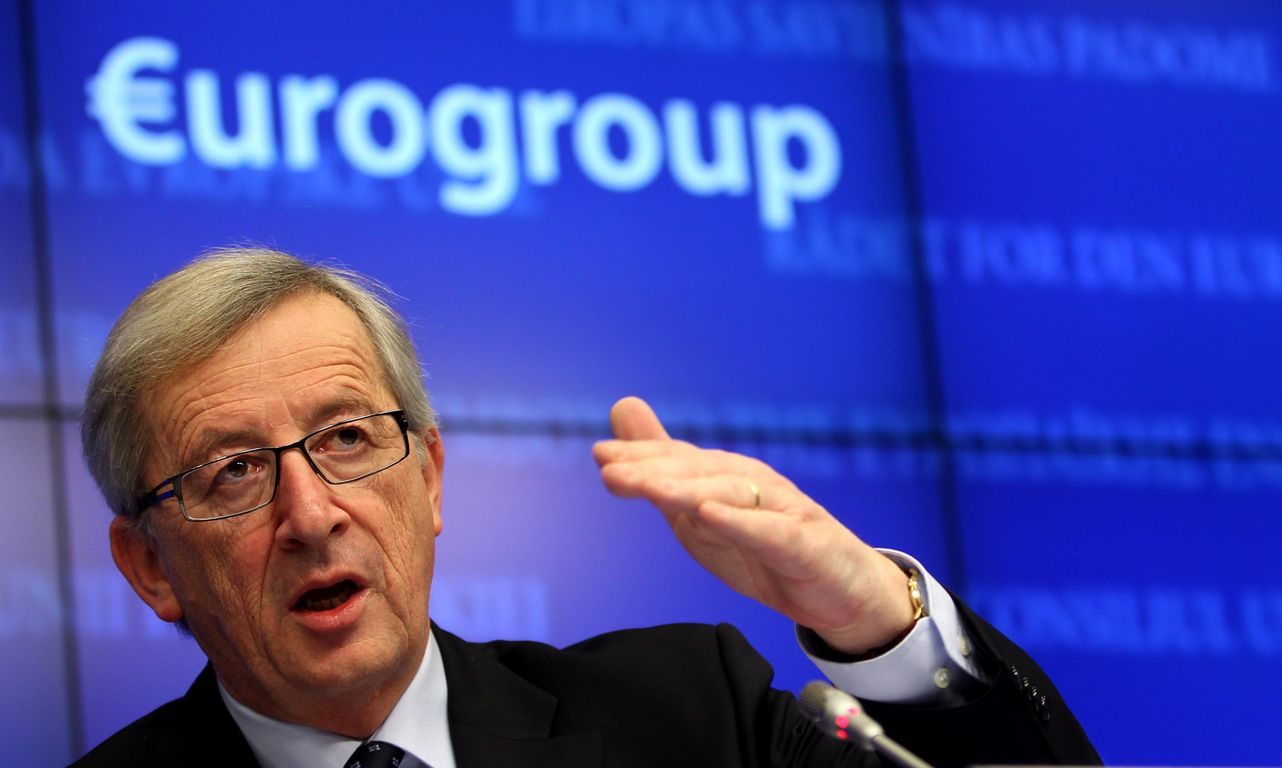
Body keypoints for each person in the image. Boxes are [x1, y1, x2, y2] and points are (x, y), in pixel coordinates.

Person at [73, 248, 1099, 767]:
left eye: (346, 439)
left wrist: (873, 616)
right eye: (233, 474)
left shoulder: (690, 718)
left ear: (428, 477)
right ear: (150, 567)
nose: (310, 513)